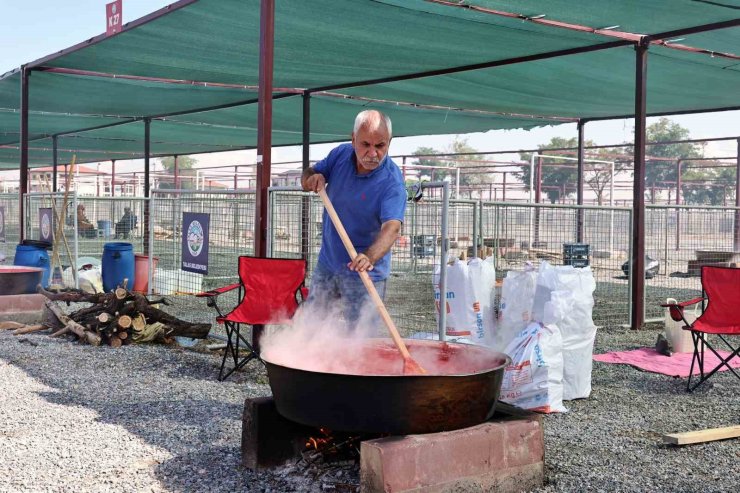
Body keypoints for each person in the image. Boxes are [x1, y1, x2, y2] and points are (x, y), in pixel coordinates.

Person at [301, 110, 406, 326]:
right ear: (353, 139)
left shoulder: (392, 182)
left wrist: (369, 256)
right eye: (365, 144)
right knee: (311, 325)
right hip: (328, 264)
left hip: (366, 273)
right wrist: (312, 178)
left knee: (360, 339)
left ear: (389, 143)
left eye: (380, 146)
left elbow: (392, 228)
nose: (372, 153)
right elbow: (308, 174)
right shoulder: (340, 155)